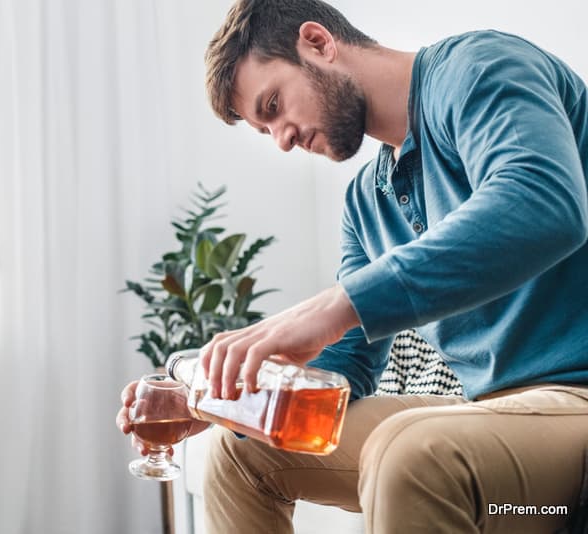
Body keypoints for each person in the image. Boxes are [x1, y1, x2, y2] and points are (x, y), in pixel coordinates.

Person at [118, 1, 588, 532]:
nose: (283, 139)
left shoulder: (479, 68)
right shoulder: (367, 202)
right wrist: (215, 401)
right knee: (238, 454)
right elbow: (346, 366)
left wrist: (337, 304)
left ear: (317, 42)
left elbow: (544, 203)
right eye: (264, 129)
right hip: (487, 410)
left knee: (408, 451)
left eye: (274, 105)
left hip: (576, 397)